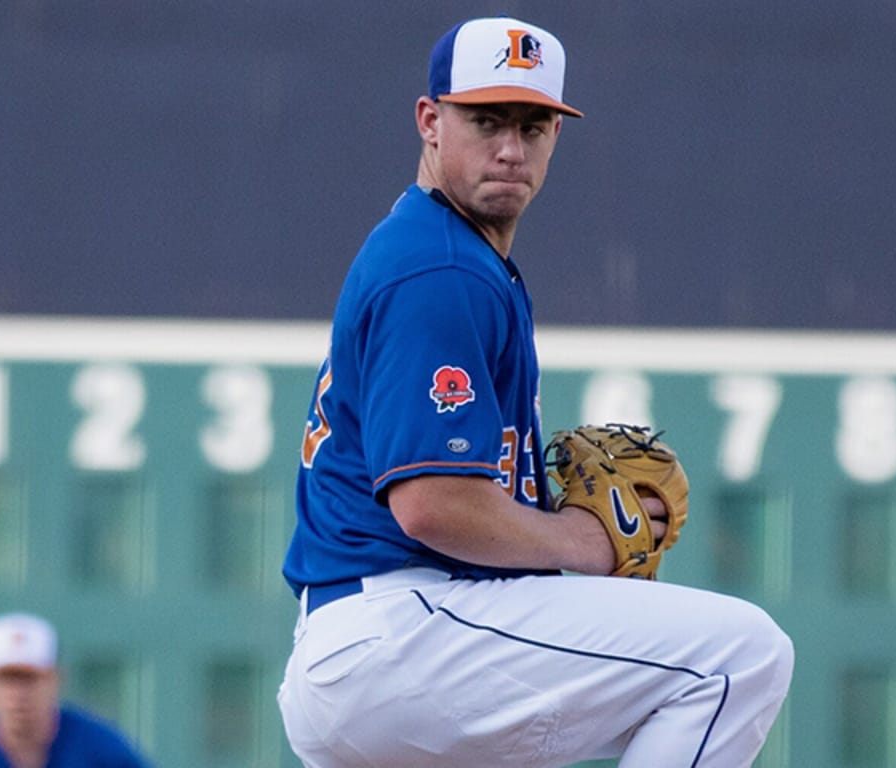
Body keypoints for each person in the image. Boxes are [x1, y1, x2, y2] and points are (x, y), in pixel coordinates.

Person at [277, 16, 794, 767]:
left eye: (534, 125)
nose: (512, 149)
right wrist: (583, 542)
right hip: (407, 630)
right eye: (486, 121)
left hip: (375, 653)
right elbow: (430, 504)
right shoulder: (440, 271)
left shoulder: (440, 251)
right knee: (738, 656)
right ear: (430, 121)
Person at [0, 612, 150, 768]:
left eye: (30, 677)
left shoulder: (103, 753)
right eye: (6, 678)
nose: (18, 692)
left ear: (56, 678)